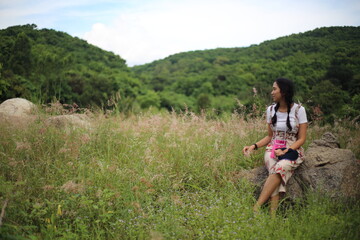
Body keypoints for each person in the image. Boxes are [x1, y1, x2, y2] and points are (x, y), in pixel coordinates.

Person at [242, 78, 308, 216]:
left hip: (292, 149)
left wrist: (286, 150)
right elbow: (269, 137)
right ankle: (272, 218)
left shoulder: (299, 110)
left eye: (274, 89)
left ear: (283, 92)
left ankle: (256, 207)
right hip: (272, 149)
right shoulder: (270, 110)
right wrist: (254, 146)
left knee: (280, 167)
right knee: (274, 169)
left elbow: (301, 139)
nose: (272, 92)